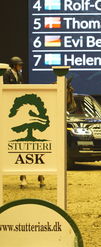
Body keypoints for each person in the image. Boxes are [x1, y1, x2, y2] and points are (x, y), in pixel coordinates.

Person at [3, 56, 45, 188]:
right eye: (19, 65)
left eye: (21, 65)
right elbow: (7, 89)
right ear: (14, 65)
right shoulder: (7, 74)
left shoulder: (19, 75)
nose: (21, 67)